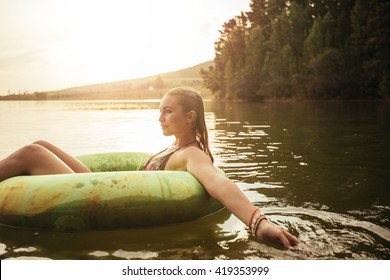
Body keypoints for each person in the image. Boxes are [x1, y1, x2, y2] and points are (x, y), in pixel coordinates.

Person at [0, 87, 301, 249]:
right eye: (160, 111)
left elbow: (218, 184)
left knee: (31, 152)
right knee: (41, 143)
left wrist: (259, 222)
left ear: (190, 117)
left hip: (97, 197)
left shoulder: (193, 154)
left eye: (168, 111)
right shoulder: (174, 147)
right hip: (97, 184)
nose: (160, 117)